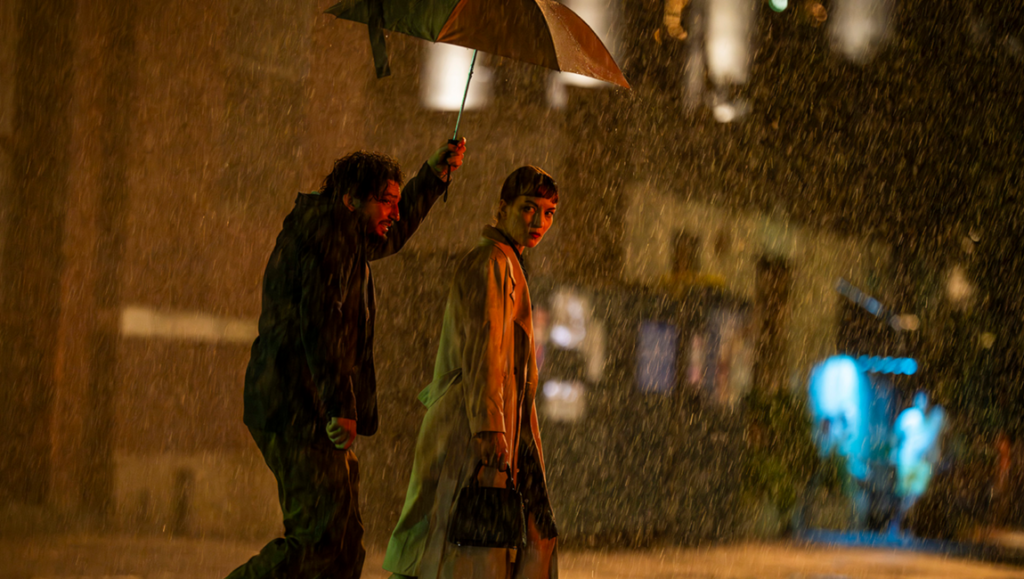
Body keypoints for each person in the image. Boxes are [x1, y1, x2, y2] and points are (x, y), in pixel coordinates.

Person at [226, 138, 467, 579]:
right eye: (385, 202)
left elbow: (392, 232)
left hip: (303, 406)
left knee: (343, 546)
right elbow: (323, 324)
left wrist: (432, 177)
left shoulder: (346, 233)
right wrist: (340, 405)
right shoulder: (327, 239)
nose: (393, 213)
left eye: (396, 202)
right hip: (297, 408)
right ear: (351, 199)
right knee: (321, 541)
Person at [383, 167, 560, 579]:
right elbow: (486, 352)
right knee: (454, 548)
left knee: (500, 543)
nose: (539, 222)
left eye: (548, 212)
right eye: (528, 208)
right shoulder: (491, 262)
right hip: (476, 429)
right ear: (502, 209)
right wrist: (489, 429)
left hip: (496, 427)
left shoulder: (506, 262)